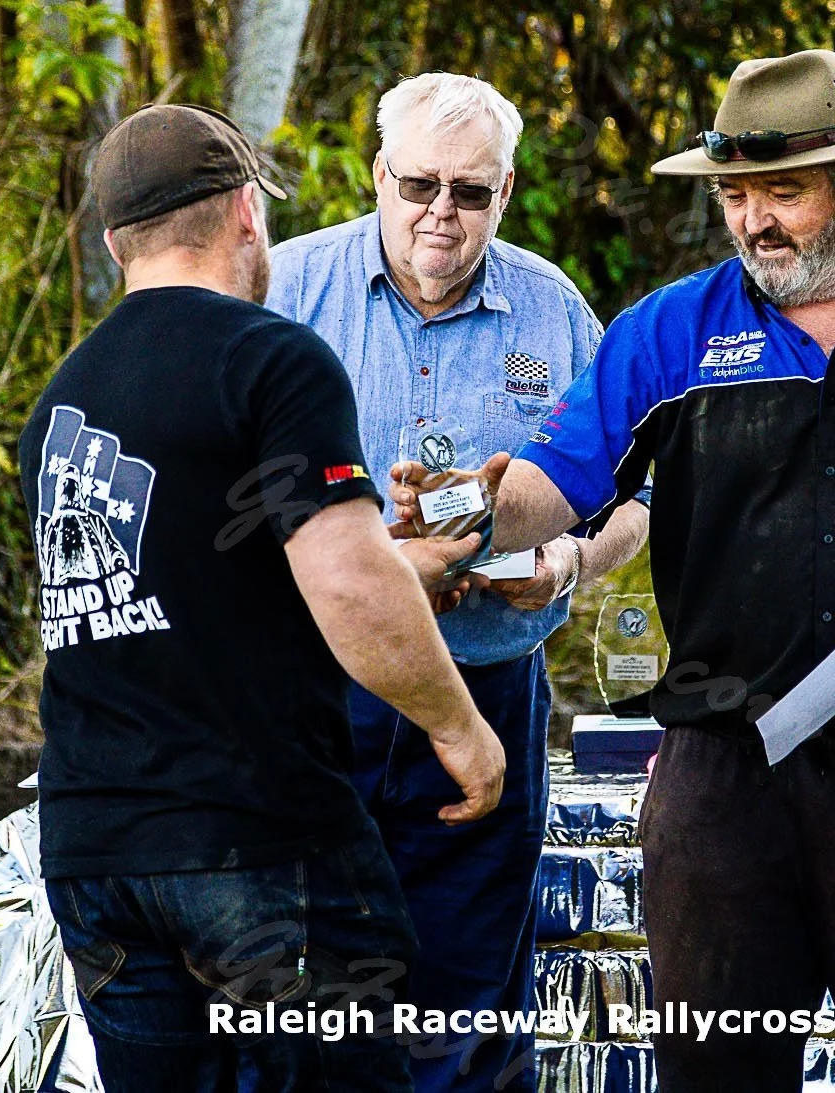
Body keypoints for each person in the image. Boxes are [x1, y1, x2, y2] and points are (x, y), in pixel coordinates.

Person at [391, 50, 835, 1093]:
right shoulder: (666, 332)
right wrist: (474, 509)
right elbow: (556, 482)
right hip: (719, 770)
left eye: (784, 193)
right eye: (734, 196)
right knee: (713, 1070)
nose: (755, 221)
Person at [19, 103, 506, 1093]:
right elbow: (346, 583)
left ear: (115, 241)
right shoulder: (269, 359)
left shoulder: (63, 399)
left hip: (94, 850)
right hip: (255, 843)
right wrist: (462, 731)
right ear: (247, 212)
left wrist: (379, 560)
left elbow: (185, 576)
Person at [269, 73, 649, 1093]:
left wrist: (567, 558)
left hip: (488, 688)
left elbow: (634, 499)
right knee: (310, 1015)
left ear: (507, 190)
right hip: (314, 698)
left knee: (469, 1020)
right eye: (419, 184)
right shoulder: (281, 291)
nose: (441, 212)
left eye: (470, 192)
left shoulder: (553, 311)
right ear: (376, 175)